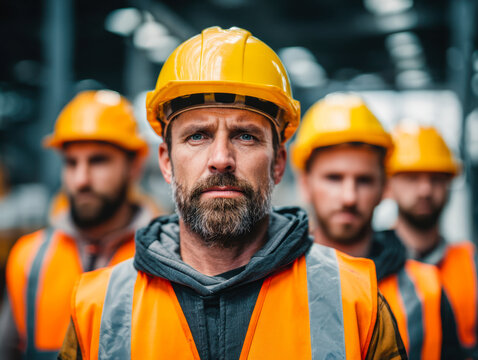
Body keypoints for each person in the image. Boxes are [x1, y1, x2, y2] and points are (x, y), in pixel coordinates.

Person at [58, 27, 406, 359]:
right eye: (197, 136)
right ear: (166, 161)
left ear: (278, 163)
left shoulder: (356, 301)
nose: (221, 159)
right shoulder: (97, 308)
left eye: (245, 136)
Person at [291, 93, 463, 359]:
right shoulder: (274, 284)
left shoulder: (427, 290)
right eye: (334, 178)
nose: (349, 197)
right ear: (305, 184)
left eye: (364, 180)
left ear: (385, 187)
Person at [0, 90, 156, 359]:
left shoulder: (163, 258)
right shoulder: (29, 257)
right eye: (72, 163)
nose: (81, 179)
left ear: (134, 166)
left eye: (98, 161)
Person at [387, 123, 477, 358]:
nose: (425, 189)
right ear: (388, 185)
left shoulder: (472, 264)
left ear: (449, 184)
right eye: (412, 178)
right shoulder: (368, 264)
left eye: (436, 178)